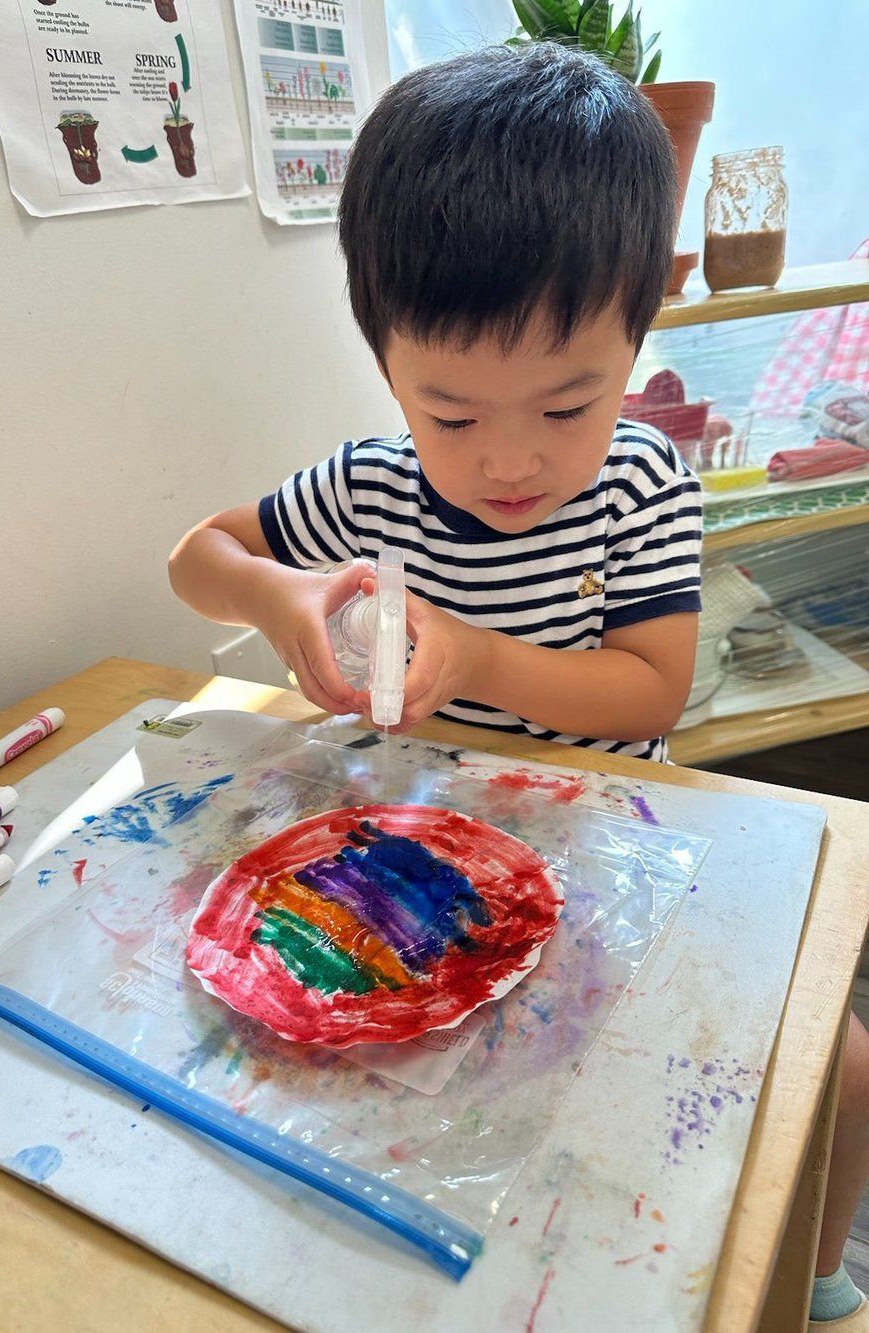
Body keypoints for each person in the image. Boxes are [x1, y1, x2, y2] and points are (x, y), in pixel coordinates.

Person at [169, 43, 868, 1326]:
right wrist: (279, 598)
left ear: (634, 339)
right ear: (386, 362)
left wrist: (481, 658)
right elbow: (197, 557)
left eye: (567, 404)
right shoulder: (372, 479)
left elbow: (649, 691)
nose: (505, 460)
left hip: (626, 835)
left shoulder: (640, 483)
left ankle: (814, 1278)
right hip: (425, 866)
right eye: (448, 410)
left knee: (839, 1059)